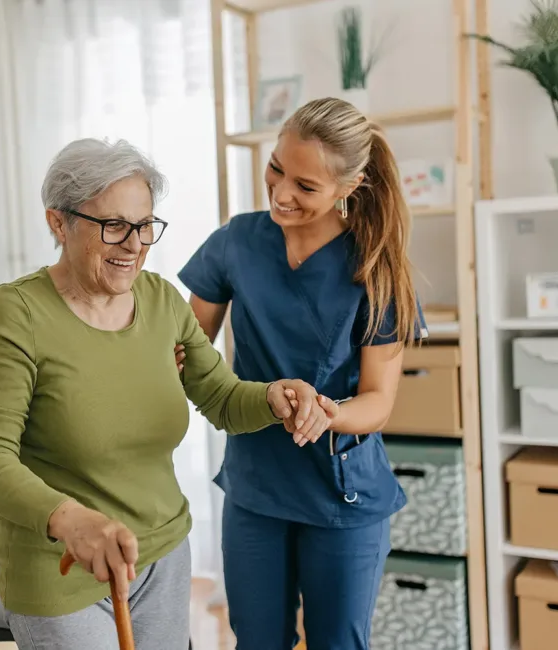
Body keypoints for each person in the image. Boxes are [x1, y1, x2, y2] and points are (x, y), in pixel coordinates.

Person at [0, 137, 330, 650]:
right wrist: (70, 521)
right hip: (62, 565)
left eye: (144, 226)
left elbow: (221, 398)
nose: (134, 244)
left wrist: (274, 397)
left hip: (162, 556)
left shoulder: (160, 300)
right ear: (57, 223)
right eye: (113, 226)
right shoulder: (17, 312)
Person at [176, 97, 427, 650]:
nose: (281, 193)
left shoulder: (376, 266)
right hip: (256, 487)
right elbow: (187, 349)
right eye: (276, 169)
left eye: (306, 187)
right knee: (257, 642)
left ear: (350, 185)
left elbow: (379, 400)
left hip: (341, 494)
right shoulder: (237, 242)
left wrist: (329, 412)